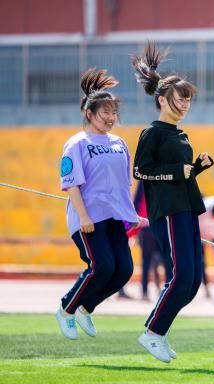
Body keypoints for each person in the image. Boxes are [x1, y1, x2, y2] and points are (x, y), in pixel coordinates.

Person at [132, 41, 214, 363]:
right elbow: (142, 170)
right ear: (163, 99)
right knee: (181, 276)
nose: (184, 105)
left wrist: (197, 168)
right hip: (166, 212)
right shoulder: (151, 134)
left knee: (192, 281)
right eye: (180, 99)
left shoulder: (181, 135)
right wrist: (175, 171)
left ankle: (159, 331)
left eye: (188, 100)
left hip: (187, 209)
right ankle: (152, 332)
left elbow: (180, 175)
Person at [56, 68, 139, 340]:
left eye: (113, 113)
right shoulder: (76, 144)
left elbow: (122, 186)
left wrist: (132, 216)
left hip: (115, 219)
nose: (111, 118)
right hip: (89, 219)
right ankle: (66, 308)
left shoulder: (120, 144)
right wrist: (83, 216)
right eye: (105, 113)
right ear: (89, 114)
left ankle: (85, 308)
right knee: (101, 266)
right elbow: (72, 184)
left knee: (124, 270)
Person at [129, 182, 163, 301]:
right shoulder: (144, 180)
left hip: (158, 224)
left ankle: (159, 289)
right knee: (148, 260)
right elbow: (137, 202)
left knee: (156, 259)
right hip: (147, 224)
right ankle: (144, 291)